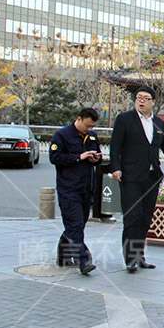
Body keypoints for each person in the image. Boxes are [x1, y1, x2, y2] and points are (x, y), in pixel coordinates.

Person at [110, 86, 164, 273]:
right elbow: (115, 146)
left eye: (145, 98)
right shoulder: (124, 119)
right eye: (138, 98)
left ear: (153, 102)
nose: (141, 101)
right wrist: (116, 168)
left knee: (145, 218)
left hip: (151, 177)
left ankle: (139, 256)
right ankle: (130, 258)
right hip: (130, 176)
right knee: (132, 217)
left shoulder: (158, 123)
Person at [49, 108, 102, 275]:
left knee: (78, 224)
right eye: (87, 125)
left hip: (87, 188)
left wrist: (95, 159)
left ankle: (63, 255)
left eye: (92, 126)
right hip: (69, 188)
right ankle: (84, 260)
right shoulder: (62, 135)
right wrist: (79, 157)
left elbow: (97, 159)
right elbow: (55, 158)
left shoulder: (92, 136)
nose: (89, 129)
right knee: (75, 225)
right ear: (79, 119)